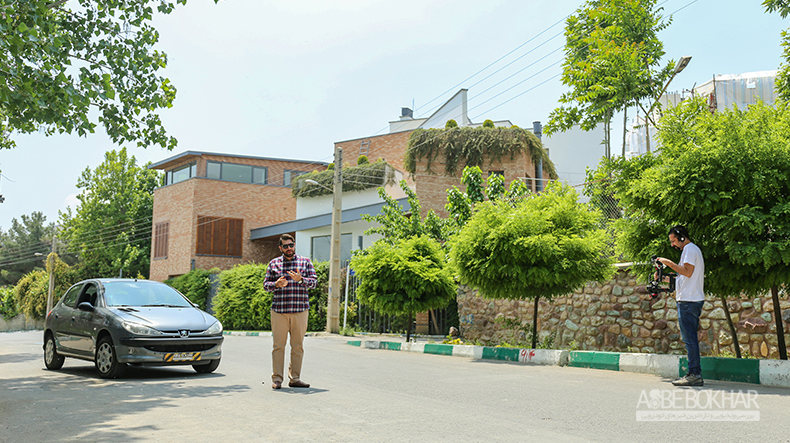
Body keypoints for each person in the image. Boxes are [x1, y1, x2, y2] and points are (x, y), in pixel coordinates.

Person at [263, 234, 317, 390]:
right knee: (278, 346)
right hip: (279, 311)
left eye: (291, 245)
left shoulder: (305, 262)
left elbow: (314, 282)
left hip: (300, 310)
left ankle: (295, 378)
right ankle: (277, 379)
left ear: (294, 245)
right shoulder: (274, 263)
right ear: (281, 248)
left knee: (297, 346)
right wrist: (276, 284)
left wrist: (301, 279)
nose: (289, 248)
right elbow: (266, 285)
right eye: (285, 246)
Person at [656, 225, 705, 387]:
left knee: (690, 339)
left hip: (689, 301)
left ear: (682, 237)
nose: (672, 245)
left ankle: (695, 374)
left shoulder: (690, 249)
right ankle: (694, 373)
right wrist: (663, 278)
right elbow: (683, 278)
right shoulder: (689, 251)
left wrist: (668, 263)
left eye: (673, 241)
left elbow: (688, 272)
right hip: (689, 300)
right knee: (690, 339)